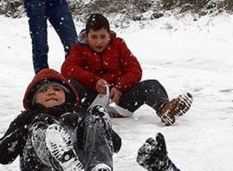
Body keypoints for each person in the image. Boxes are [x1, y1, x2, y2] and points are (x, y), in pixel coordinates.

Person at [0, 68, 121, 171]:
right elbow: (2, 156)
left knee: (98, 111)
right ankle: (60, 160)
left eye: (57, 89)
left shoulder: (78, 113)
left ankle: (98, 170)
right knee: (40, 129)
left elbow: (115, 143)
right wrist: (27, 128)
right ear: (33, 99)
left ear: (67, 95)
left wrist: (81, 124)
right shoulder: (27, 118)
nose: (51, 92)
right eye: (43, 90)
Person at [61, 13, 193, 126]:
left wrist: (120, 87)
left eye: (102, 36)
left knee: (152, 85)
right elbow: (67, 69)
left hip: (120, 102)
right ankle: (75, 116)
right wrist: (94, 81)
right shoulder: (79, 48)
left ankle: (164, 109)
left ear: (109, 34)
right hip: (90, 101)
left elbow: (135, 69)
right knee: (71, 84)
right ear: (86, 36)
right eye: (94, 37)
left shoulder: (118, 44)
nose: (99, 42)